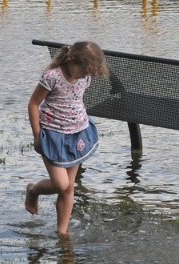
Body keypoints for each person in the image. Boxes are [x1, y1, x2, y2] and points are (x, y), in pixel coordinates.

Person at [25, 41, 109, 235]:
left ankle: (62, 232)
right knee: (60, 184)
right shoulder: (52, 76)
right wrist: (37, 135)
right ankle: (33, 191)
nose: (87, 76)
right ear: (72, 61)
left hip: (77, 133)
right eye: (85, 71)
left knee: (69, 187)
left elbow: (75, 98)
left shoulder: (84, 78)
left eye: (90, 73)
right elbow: (33, 104)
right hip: (53, 135)